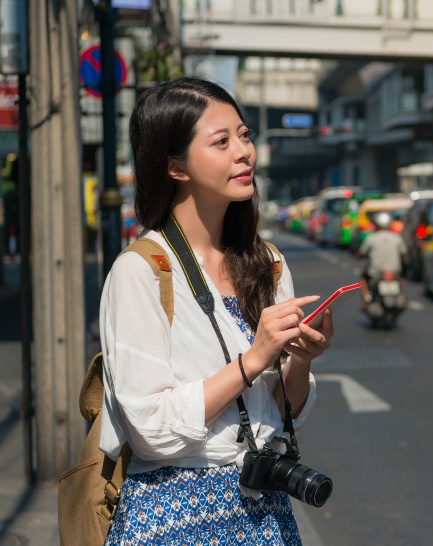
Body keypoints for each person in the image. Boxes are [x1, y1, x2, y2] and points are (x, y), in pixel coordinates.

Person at [99, 76, 334, 545]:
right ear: (176, 166)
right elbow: (150, 431)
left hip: (265, 507)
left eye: (244, 135)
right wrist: (254, 358)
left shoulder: (266, 264)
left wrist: (301, 358)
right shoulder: (141, 271)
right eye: (221, 141)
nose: (243, 152)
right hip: (175, 514)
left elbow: (283, 414)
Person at [355, 210, 407, 305]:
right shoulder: (397, 237)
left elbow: (361, 253)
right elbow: (403, 254)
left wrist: (359, 255)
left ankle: (367, 297)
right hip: (394, 270)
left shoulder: (371, 238)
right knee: (400, 277)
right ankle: (400, 295)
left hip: (376, 272)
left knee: (363, 277)